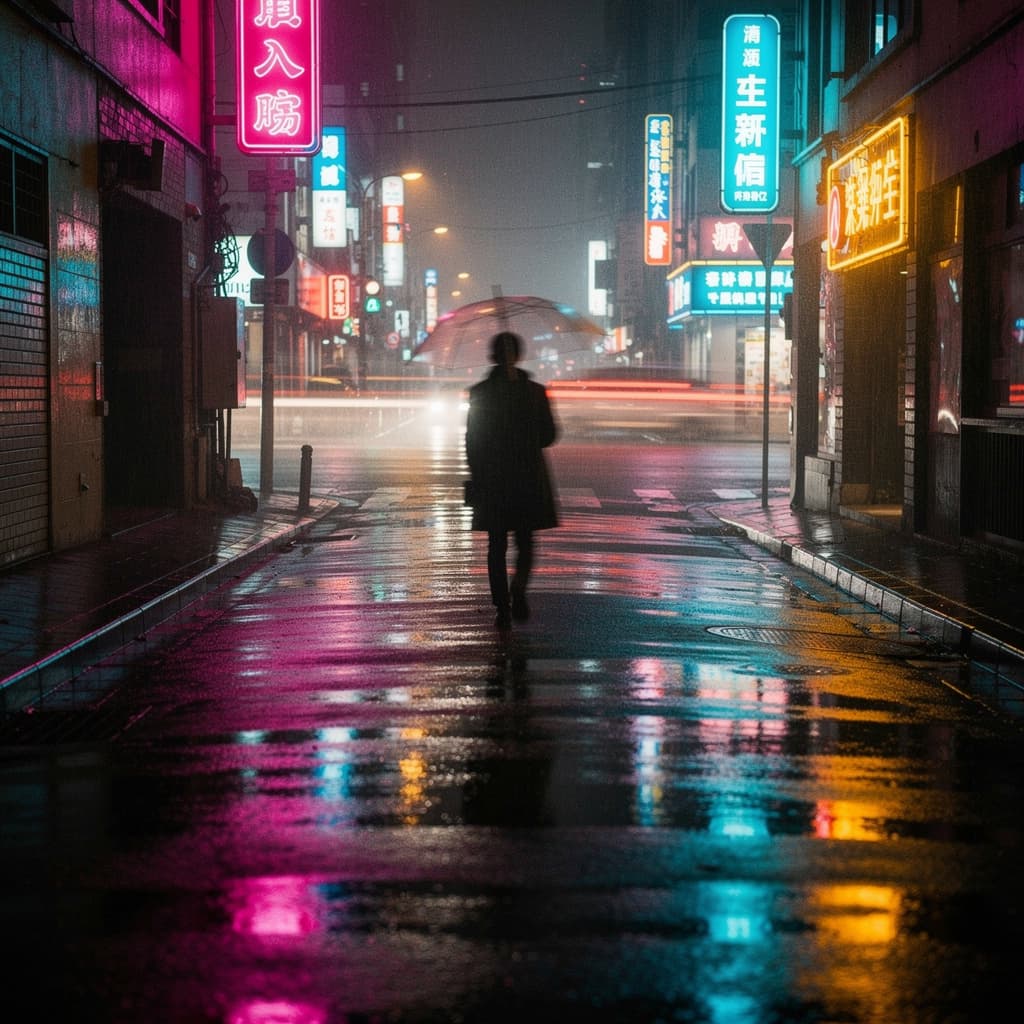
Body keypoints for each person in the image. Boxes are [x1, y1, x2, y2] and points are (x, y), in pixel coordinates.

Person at [465, 331, 559, 629]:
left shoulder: (487, 392)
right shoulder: (531, 391)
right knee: (513, 541)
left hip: (500, 477)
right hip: (518, 476)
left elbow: (473, 439)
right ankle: (508, 598)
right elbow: (549, 435)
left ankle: (510, 597)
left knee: (508, 543)